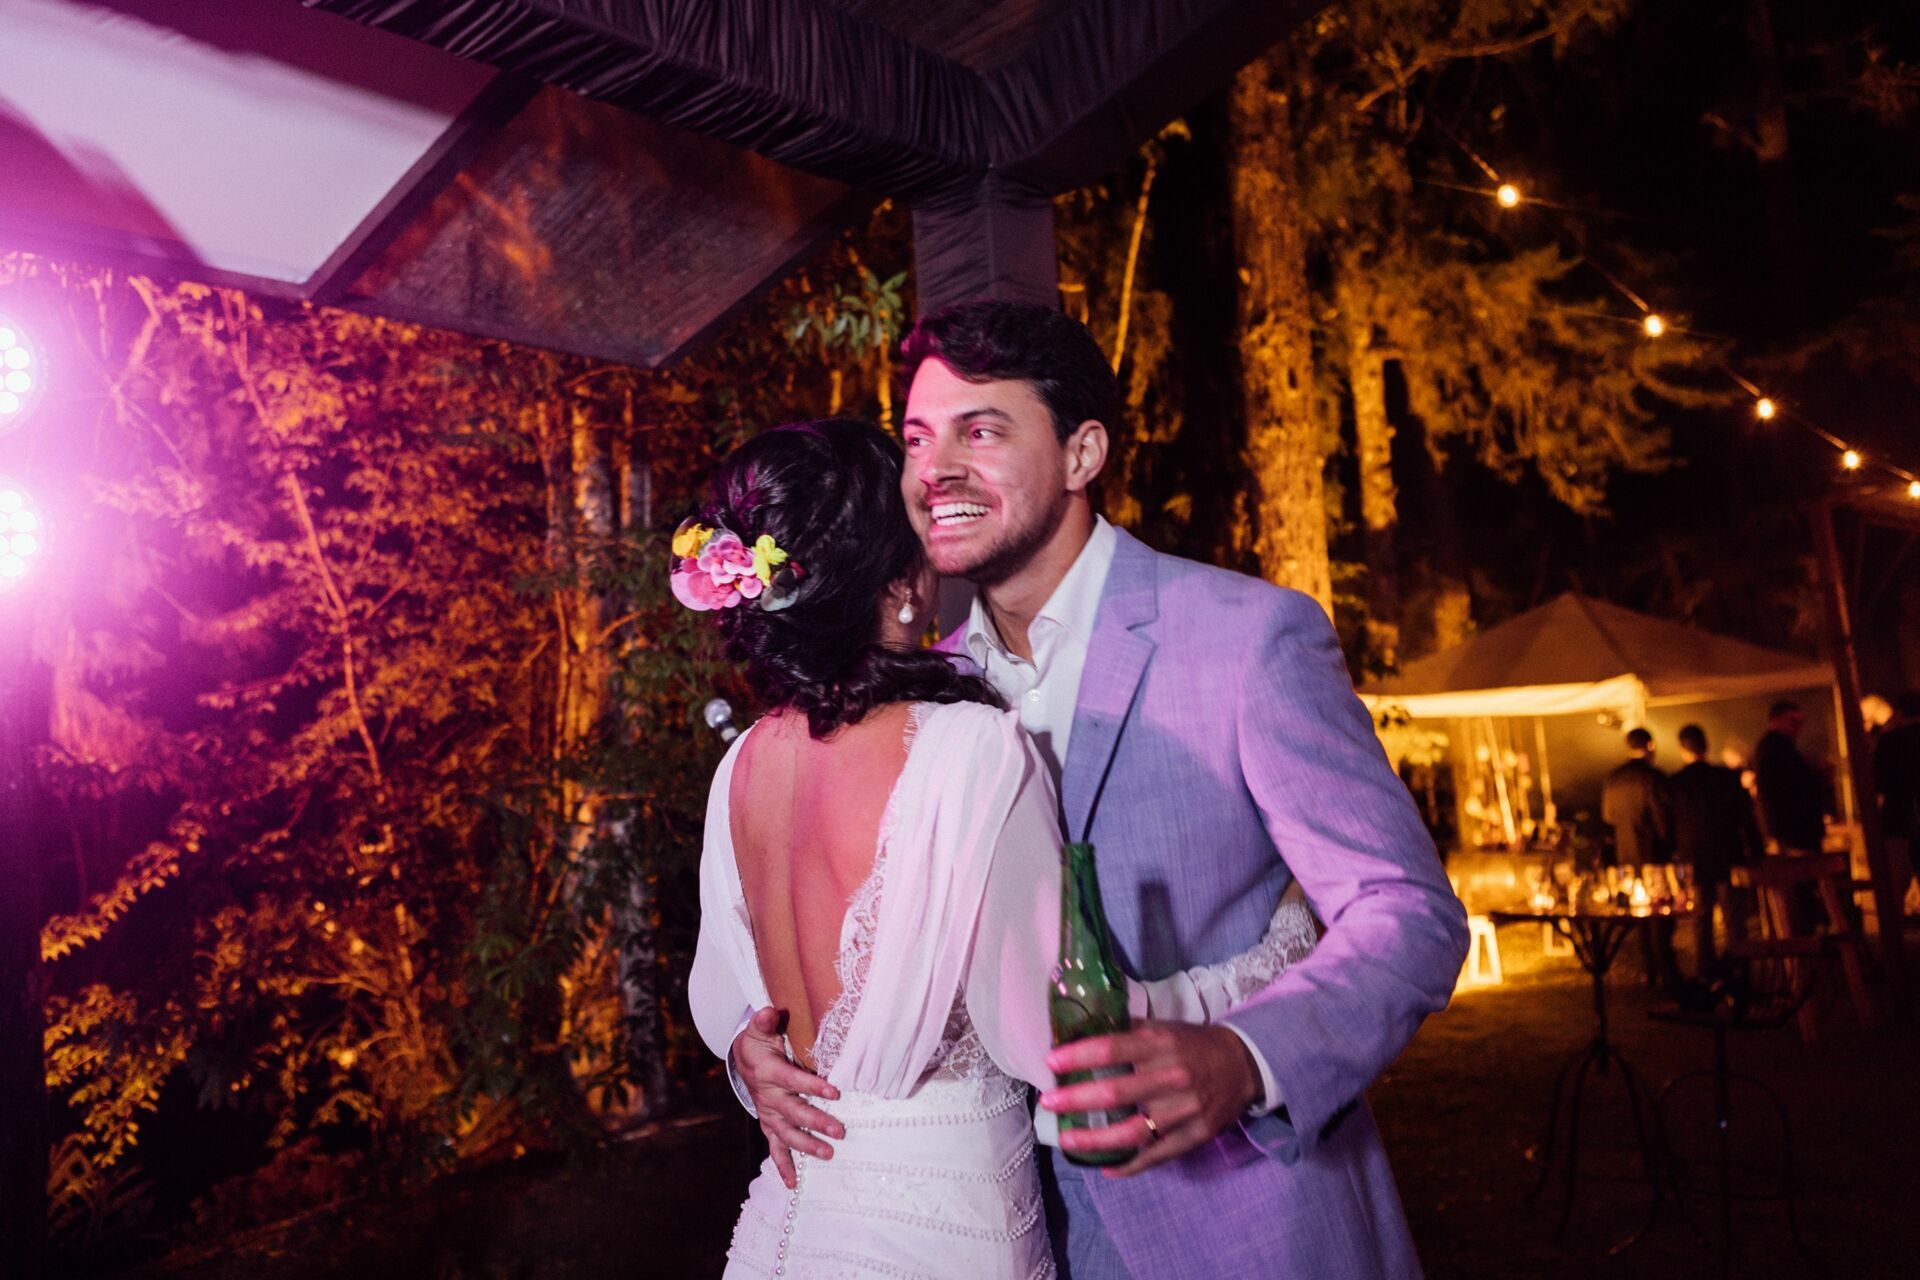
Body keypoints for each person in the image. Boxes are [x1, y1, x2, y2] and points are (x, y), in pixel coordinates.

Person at [727, 301, 1468, 1279]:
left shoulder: (1247, 638)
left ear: (1083, 454)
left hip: (1249, 1225)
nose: (933, 468)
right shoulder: (917, 702)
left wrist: (1251, 1055)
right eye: (915, 437)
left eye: (979, 429)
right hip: (1017, 1235)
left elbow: (1408, 913)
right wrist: (763, 1052)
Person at [686, 419, 1322, 1279]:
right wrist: (1280, 952)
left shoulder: (742, 766)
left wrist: (746, 1059)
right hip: (939, 1240)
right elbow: (1056, 1040)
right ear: (902, 582)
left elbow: (723, 1004)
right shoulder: (967, 749)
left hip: (786, 1226)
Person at [1669, 724, 1762, 973]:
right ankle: (1739, 966)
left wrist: (1674, 854)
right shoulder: (1727, 778)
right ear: (1706, 746)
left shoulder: (1676, 783)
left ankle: (1705, 967)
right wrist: (1756, 851)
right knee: (1734, 916)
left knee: (1701, 916)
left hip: (1695, 857)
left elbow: (1669, 824)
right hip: (1729, 853)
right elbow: (1747, 818)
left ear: (1682, 749)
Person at [1601, 727, 1677, 984]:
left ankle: (1649, 968)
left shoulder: (1615, 778)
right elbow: (1663, 820)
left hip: (1627, 856)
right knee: (1660, 914)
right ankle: (1665, 967)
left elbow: (1608, 816)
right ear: (1651, 745)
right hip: (1653, 855)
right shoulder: (1653, 778)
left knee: (1639, 913)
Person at [1753, 699, 1830, 932]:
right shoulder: (1777, 749)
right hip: (1794, 833)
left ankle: (1804, 939)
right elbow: (1792, 790)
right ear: (1776, 721)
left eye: (1800, 722)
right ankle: (1804, 942)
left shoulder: (1779, 748)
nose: (1798, 727)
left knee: (1801, 890)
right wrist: (1817, 776)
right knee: (1799, 891)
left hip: (1792, 832)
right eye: (1793, 721)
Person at [1874, 692, 1920, 914]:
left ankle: (1897, 942)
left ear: (1899, 713)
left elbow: (1877, 781)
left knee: (1895, 885)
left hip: (1897, 820)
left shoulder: (1889, 741)